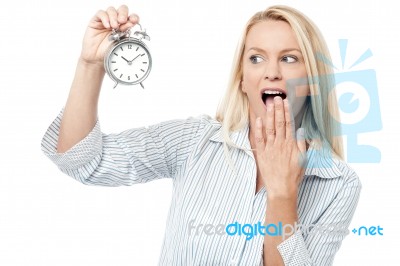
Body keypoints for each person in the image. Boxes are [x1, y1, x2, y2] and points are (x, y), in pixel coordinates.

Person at [41, 4, 361, 266]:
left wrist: (281, 195)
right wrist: (89, 64)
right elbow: (81, 161)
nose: (272, 71)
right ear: (242, 80)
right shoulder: (193, 141)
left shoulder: (338, 183)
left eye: (289, 58)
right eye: (256, 58)